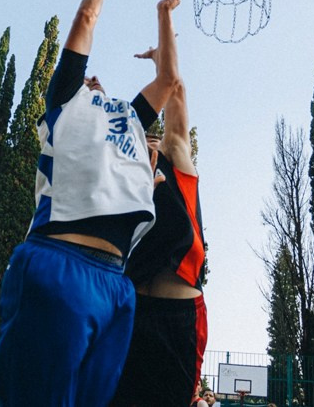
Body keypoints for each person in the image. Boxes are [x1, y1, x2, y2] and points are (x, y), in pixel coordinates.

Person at [0, 0, 182, 407]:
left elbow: (170, 80)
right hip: (60, 262)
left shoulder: (130, 120)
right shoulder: (65, 102)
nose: (94, 80)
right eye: (87, 78)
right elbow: (84, 19)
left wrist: (163, 15)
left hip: (115, 283)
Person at [110, 56, 206, 406]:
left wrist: (162, 58)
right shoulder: (122, 182)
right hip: (130, 306)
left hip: (176, 312)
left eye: (151, 137)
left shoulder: (175, 158)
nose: (146, 140)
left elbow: (175, 89)